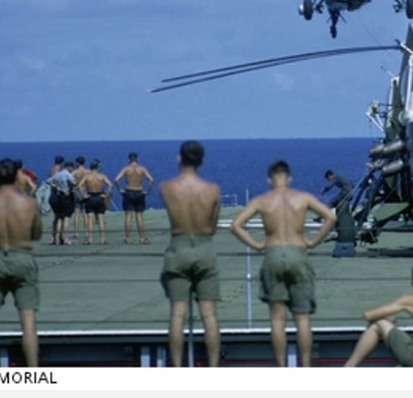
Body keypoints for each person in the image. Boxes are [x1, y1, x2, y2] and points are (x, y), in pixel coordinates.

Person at [230, 160, 336, 367]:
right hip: (297, 251)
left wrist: (257, 245)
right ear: (289, 178)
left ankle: (281, 367)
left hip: (273, 252)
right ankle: (305, 367)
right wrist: (313, 241)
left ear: (269, 179)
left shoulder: (262, 200)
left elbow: (236, 225)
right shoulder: (302, 198)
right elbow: (330, 218)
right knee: (302, 318)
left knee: (278, 319)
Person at [158, 141, 222, 366]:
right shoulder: (212, 190)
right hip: (204, 245)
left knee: (177, 313)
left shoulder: (167, 187)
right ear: (201, 161)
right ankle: (213, 368)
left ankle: (177, 368)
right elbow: (212, 226)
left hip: (178, 245)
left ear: (179, 158)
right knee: (209, 314)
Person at [0, 159, 43, 367]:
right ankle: (33, 372)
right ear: (17, 176)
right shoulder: (29, 203)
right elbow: (37, 233)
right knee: (28, 322)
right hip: (22, 255)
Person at [114, 152, 154, 244]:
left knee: (128, 216)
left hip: (129, 191)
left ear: (129, 159)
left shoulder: (126, 169)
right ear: (137, 159)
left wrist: (120, 189)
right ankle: (142, 238)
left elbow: (116, 179)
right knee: (139, 216)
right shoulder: (142, 169)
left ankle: (128, 238)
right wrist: (147, 191)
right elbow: (151, 180)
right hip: (139, 191)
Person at [76, 160, 113, 245]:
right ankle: (103, 239)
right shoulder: (102, 176)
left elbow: (79, 186)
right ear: (97, 167)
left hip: (90, 197)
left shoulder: (87, 176)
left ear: (90, 167)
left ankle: (90, 239)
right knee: (101, 219)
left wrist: (83, 196)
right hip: (99, 197)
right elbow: (110, 185)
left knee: (90, 218)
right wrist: (106, 195)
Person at [46, 161, 77, 245]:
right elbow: (74, 182)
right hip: (66, 196)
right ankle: (65, 238)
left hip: (59, 196)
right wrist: (71, 188)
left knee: (59, 217)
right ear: (69, 167)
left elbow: (48, 181)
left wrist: (55, 187)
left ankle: (56, 239)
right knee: (66, 218)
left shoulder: (58, 174)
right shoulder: (68, 174)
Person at [71, 156, 90, 243]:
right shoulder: (88, 172)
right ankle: (87, 232)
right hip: (85, 191)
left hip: (77, 192)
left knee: (77, 213)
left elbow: (70, 181)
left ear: (77, 163)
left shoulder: (75, 172)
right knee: (85, 213)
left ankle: (76, 232)